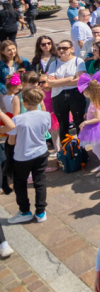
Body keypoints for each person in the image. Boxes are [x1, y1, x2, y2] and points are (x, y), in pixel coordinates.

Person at [0, 88, 50, 224]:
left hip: (23, 156)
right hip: (41, 152)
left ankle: (24, 211)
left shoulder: (17, 119)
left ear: (24, 103)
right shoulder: (46, 115)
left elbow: (11, 141)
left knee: (20, 183)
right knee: (40, 181)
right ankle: (41, 212)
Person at [45, 40, 87, 141]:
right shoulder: (54, 64)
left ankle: (81, 148)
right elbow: (50, 83)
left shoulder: (78, 61)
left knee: (79, 121)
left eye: (65, 48)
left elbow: (80, 80)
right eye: (59, 48)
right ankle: (66, 150)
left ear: (72, 49)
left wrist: (58, 81)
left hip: (75, 94)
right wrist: (69, 79)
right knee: (63, 124)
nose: (61, 51)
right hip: (58, 96)